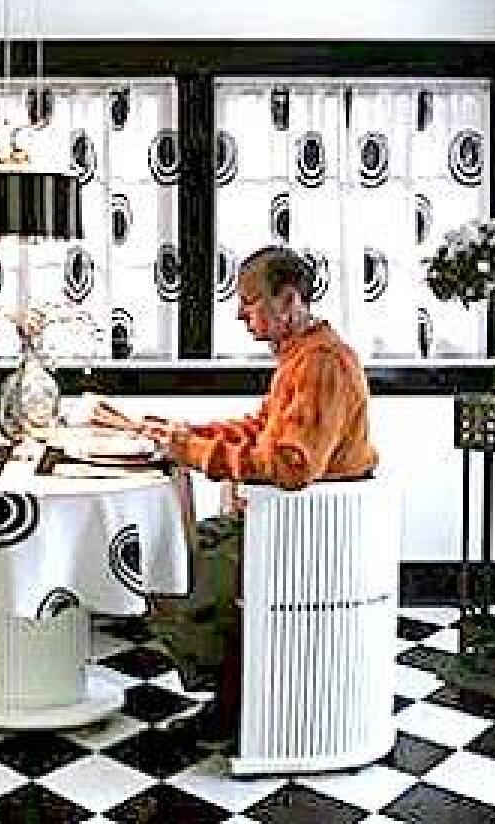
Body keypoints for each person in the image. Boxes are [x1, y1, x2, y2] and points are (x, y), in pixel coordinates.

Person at [93, 245, 378, 747]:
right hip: (283, 526)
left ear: (289, 300)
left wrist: (189, 449)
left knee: (162, 565)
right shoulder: (301, 358)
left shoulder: (321, 364)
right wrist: (182, 432)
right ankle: (232, 693)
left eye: (249, 303)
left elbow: (291, 465)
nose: (238, 315)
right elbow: (263, 429)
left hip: (302, 539)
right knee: (160, 553)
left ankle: (235, 699)